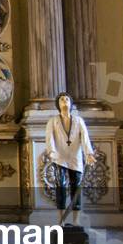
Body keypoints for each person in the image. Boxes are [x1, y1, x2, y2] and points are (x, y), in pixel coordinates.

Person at [45, 92, 97, 225]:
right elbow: (49, 139)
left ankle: (76, 220)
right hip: (59, 158)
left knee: (76, 187)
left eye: (67, 99)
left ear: (71, 103)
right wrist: (52, 152)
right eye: (62, 99)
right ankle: (60, 220)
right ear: (58, 104)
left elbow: (85, 138)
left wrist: (89, 154)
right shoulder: (53, 121)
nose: (64, 101)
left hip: (75, 158)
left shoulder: (79, 121)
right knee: (60, 187)